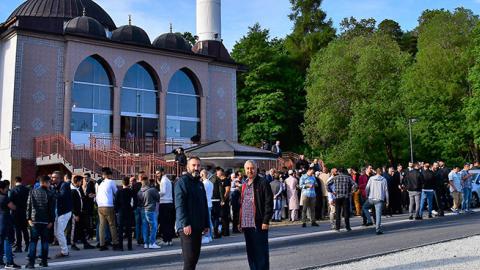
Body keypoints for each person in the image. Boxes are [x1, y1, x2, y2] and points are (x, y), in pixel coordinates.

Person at [175, 156, 210, 270]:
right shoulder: (182, 182)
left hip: (198, 226)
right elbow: (180, 205)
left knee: (194, 258)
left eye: (198, 165)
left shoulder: (199, 183)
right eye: (193, 165)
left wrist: (206, 224)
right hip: (187, 227)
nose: (196, 168)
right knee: (189, 260)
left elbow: (204, 204)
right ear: (188, 166)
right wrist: (185, 223)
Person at [239, 160, 273, 270]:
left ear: (256, 168)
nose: (250, 170)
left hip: (258, 223)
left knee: (261, 252)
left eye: (252, 168)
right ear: (245, 170)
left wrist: (265, 220)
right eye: (248, 168)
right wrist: (239, 221)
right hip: (246, 224)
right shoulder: (244, 184)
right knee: (251, 253)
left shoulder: (263, 182)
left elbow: (269, 202)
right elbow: (242, 204)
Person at [26, 176, 55, 269]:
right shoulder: (50, 193)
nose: (50, 184)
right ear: (46, 182)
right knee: (45, 242)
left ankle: (31, 263)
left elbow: (28, 206)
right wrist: (51, 221)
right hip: (45, 221)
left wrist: (28, 218)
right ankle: (44, 261)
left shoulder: (32, 191)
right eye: (49, 182)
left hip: (34, 221)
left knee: (33, 242)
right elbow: (52, 209)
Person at [96, 167, 120, 251]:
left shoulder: (99, 183)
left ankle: (102, 244)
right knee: (112, 225)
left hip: (100, 206)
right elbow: (116, 193)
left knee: (102, 226)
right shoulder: (111, 182)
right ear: (109, 175)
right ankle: (115, 243)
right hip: (108, 205)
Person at [70, 175, 95, 250]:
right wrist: (76, 214)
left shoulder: (79, 188)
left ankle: (85, 243)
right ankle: (72, 244)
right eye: (81, 181)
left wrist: (88, 196)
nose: (82, 183)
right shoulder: (72, 190)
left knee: (81, 228)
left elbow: (82, 198)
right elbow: (72, 204)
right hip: (76, 213)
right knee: (74, 229)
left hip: (81, 212)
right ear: (77, 182)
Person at [51, 171, 72, 258]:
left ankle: (64, 251)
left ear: (59, 178)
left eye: (54, 177)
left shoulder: (65, 185)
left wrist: (52, 191)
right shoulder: (57, 186)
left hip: (65, 212)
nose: (52, 179)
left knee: (59, 232)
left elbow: (61, 196)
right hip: (59, 212)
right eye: (52, 177)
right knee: (56, 232)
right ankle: (64, 249)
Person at [362, 168, 389, 235]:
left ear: (376, 172)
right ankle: (378, 230)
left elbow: (367, 188)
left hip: (371, 198)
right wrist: (387, 200)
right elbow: (386, 191)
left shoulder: (371, 178)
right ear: (381, 172)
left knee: (364, 208)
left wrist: (367, 195)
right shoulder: (384, 179)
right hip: (379, 199)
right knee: (378, 215)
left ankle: (369, 220)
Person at [0, 180, 20, 269]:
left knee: (0, 242)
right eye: (6, 188)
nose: (7, 190)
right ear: (1, 189)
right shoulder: (4, 197)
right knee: (7, 241)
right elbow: (13, 207)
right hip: (5, 220)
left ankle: (0, 261)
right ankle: (9, 262)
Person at [138, 176, 161, 249]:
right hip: (151, 209)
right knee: (154, 226)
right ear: (148, 182)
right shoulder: (152, 190)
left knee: (145, 226)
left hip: (143, 209)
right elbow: (158, 198)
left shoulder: (139, 191)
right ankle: (152, 242)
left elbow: (139, 201)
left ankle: (146, 243)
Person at [10, 176, 29, 253]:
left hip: (16, 211)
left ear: (15, 181)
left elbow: (11, 201)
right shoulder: (26, 189)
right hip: (25, 211)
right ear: (21, 181)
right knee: (25, 229)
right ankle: (27, 245)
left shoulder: (13, 190)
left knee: (18, 230)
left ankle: (19, 246)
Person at [115, 177, 135, 251]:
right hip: (129, 211)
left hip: (121, 212)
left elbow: (116, 202)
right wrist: (132, 209)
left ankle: (120, 246)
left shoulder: (119, 192)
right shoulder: (131, 192)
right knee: (129, 229)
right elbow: (134, 202)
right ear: (128, 183)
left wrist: (117, 211)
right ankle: (129, 246)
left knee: (120, 230)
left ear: (122, 183)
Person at [159, 173, 175, 246]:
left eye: (158, 173)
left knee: (164, 223)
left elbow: (163, 192)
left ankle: (165, 240)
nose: (157, 175)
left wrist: (156, 193)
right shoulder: (168, 180)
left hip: (164, 202)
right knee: (169, 222)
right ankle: (169, 240)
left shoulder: (163, 180)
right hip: (170, 202)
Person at [201, 170, 213, 244]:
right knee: (209, 220)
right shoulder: (211, 183)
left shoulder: (203, 184)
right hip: (209, 203)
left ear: (202, 175)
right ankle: (210, 235)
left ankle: (207, 236)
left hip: (205, 204)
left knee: (207, 221)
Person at [82, 173, 96, 239]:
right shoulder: (86, 184)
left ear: (90, 177)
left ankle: (90, 235)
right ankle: (89, 234)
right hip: (86, 205)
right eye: (84, 177)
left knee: (89, 220)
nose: (85, 178)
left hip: (89, 205)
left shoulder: (91, 184)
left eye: (86, 177)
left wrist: (90, 195)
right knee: (87, 221)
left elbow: (93, 194)